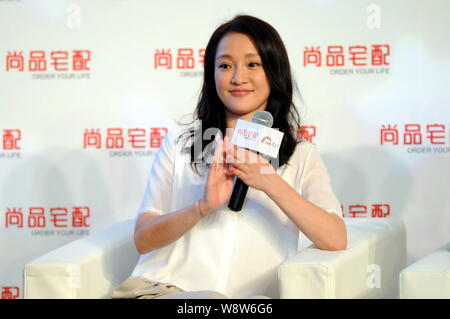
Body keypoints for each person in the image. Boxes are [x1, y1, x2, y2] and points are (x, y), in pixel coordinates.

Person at [112, 15, 346, 299]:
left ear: (274, 71)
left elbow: (335, 238)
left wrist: (271, 183)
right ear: (211, 74)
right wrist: (201, 207)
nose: (238, 78)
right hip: (164, 291)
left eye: (252, 64)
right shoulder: (180, 144)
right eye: (225, 66)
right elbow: (143, 239)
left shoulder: (300, 155)